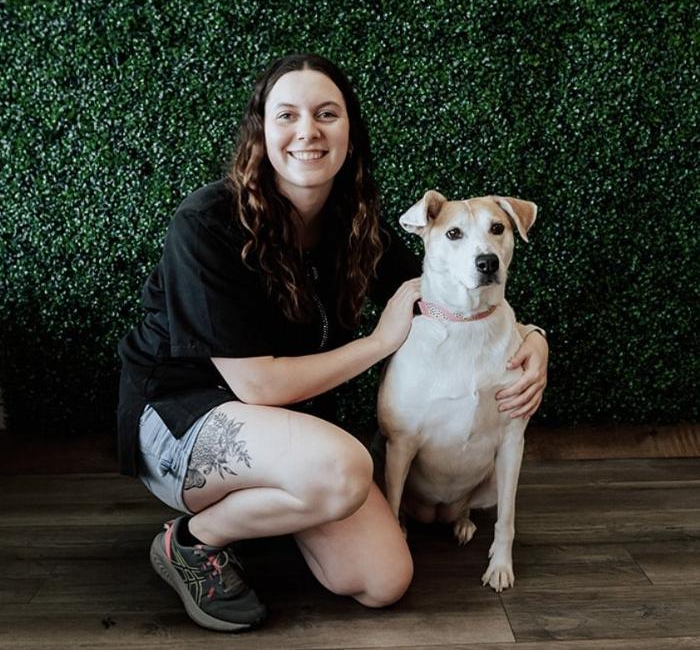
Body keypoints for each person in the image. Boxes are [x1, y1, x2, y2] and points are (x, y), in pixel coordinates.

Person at [116, 53, 549, 633]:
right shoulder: (207, 223)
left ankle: (278, 507)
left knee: (383, 579)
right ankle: (193, 541)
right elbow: (257, 384)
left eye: (327, 113)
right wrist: (379, 343)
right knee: (347, 464)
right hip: (180, 418)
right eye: (286, 115)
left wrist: (532, 339)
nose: (307, 132)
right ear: (260, 131)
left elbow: (444, 286)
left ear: (350, 132)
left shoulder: (355, 221)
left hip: (292, 431)